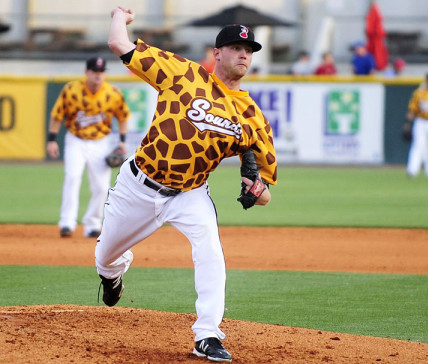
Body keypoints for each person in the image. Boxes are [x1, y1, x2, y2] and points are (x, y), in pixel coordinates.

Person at [97, 6, 277, 363]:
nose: (244, 54)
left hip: (190, 194)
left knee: (211, 251)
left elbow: (265, 191)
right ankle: (113, 273)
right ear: (217, 53)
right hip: (137, 185)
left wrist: (257, 191)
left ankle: (207, 335)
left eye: (250, 50)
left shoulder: (252, 117)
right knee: (104, 257)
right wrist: (121, 14)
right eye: (236, 47)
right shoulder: (183, 74)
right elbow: (118, 43)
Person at [47, 56, 130, 238]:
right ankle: (67, 223)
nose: (98, 75)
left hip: (101, 141)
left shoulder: (112, 93)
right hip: (75, 140)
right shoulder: (71, 90)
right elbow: (57, 115)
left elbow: (123, 117)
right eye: (95, 71)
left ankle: (93, 224)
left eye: (101, 71)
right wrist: (52, 139)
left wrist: (122, 141)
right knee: (72, 177)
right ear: (86, 72)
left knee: (101, 186)